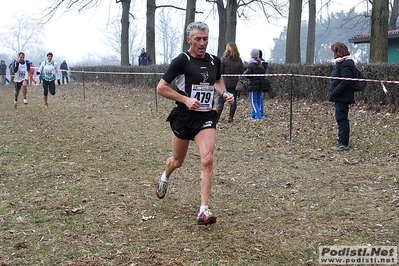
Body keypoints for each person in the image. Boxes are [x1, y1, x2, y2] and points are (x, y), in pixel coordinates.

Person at [155, 21, 234, 226]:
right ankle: (165, 177)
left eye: (205, 39)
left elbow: (217, 80)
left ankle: (203, 210)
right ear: (188, 39)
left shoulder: (215, 61)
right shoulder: (181, 61)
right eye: (197, 39)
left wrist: (224, 93)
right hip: (183, 116)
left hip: (205, 116)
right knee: (177, 161)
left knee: (207, 160)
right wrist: (185, 99)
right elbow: (161, 88)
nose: (202, 43)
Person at [329, 42, 356, 151]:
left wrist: (335, 92)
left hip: (342, 96)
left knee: (342, 119)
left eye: (334, 51)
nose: (333, 54)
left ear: (338, 51)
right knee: (340, 118)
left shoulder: (346, 63)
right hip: (339, 96)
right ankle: (341, 140)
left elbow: (346, 82)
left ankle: (343, 143)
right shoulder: (341, 63)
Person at [216, 41, 244, 123]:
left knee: (221, 101)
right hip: (234, 84)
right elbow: (241, 71)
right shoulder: (239, 60)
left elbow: (220, 71)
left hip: (224, 83)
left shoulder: (223, 59)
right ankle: (230, 118)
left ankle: (217, 119)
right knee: (233, 100)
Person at [243, 49, 265, 121]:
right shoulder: (261, 65)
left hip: (253, 85)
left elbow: (247, 74)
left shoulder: (251, 64)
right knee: (258, 100)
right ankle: (253, 115)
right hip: (260, 85)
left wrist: (245, 72)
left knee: (253, 101)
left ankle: (258, 116)